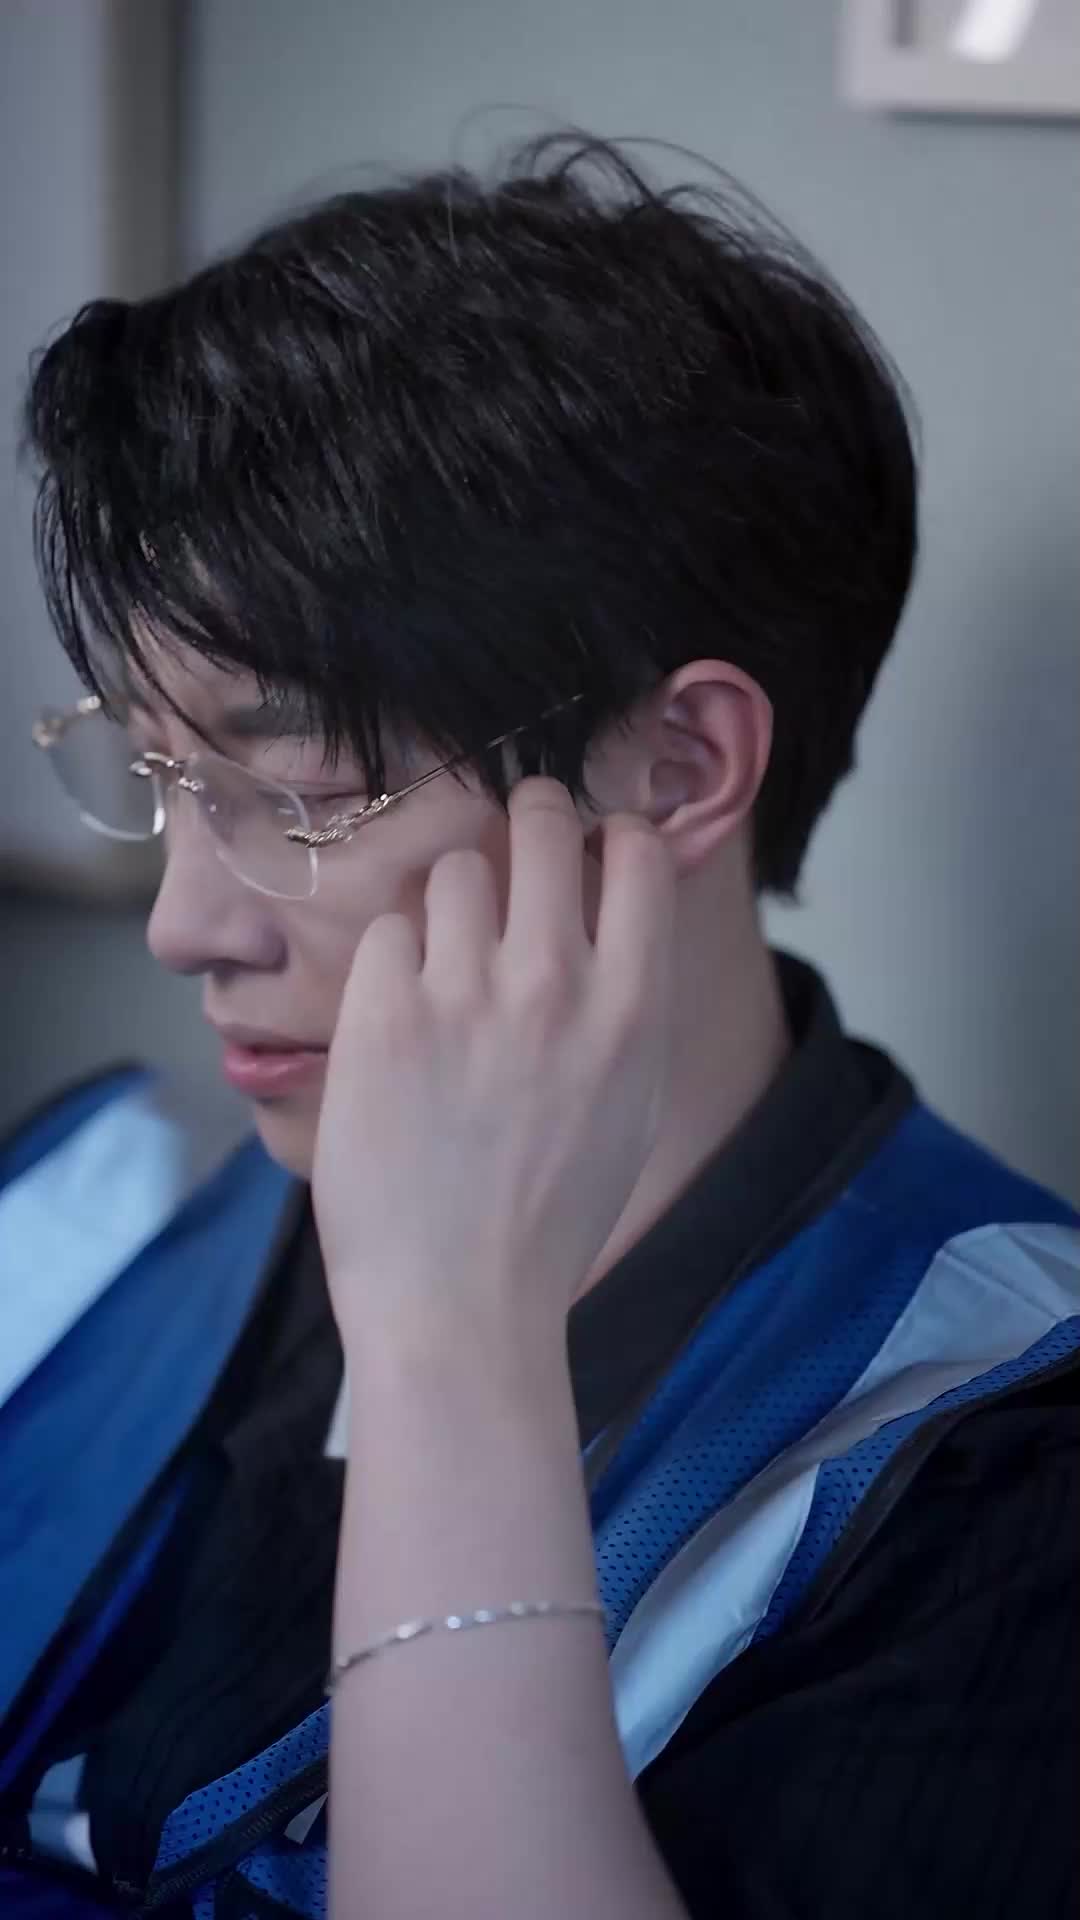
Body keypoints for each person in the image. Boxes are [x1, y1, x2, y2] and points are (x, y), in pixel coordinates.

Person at [2, 133, 1077, 1920]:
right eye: (160, 774)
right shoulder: (121, 1204)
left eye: (302, 791)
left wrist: (454, 1355)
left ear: (678, 769)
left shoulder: (996, 1478)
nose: (186, 927)